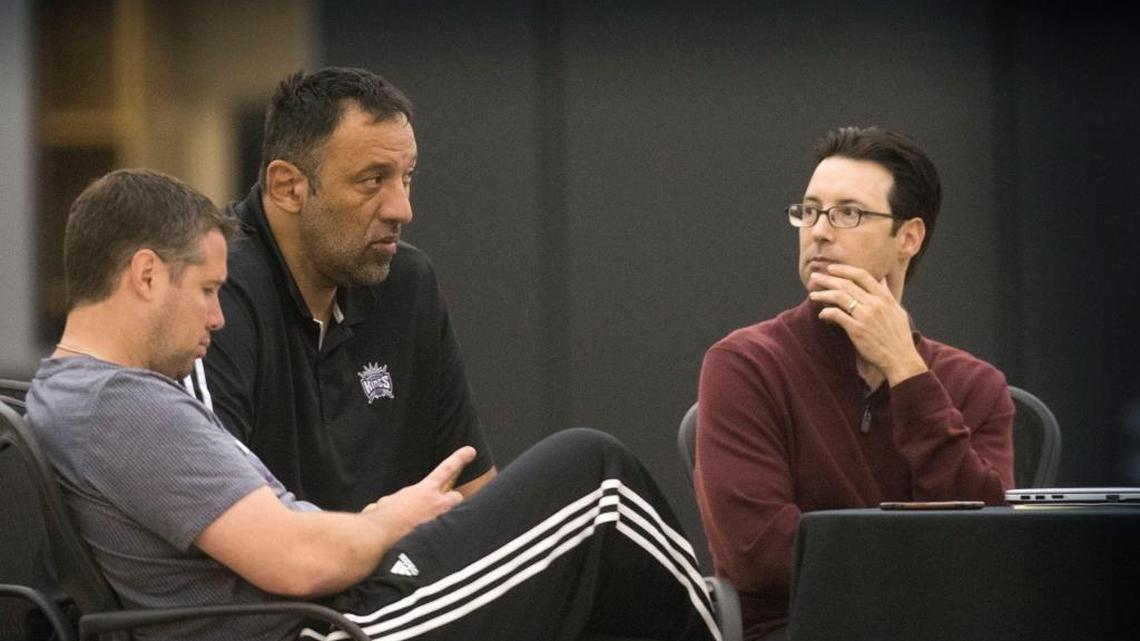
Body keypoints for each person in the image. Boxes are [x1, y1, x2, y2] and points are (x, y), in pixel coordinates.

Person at [27, 168, 720, 641]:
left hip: (333, 606)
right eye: (208, 291)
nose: (217, 318)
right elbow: (296, 560)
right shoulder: (122, 406)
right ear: (147, 275)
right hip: (334, 622)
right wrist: (394, 517)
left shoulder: (63, 394)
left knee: (584, 531)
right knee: (597, 480)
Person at [694, 127, 1014, 641]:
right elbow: (757, 554)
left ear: (909, 237)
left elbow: (986, 551)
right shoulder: (745, 364)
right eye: (810, 210)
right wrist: (919, 565)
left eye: (849, 213)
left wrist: (907, 373)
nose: (819, 231)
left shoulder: (975, 386)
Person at [184, 67, 494, 512]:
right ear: (288, 187)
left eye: (406, 177)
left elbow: (472, 492)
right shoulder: (215, 292)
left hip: (407, 575)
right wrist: (373, 536)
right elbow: (224, 518)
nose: (401, 208)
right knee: (597, 466)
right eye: (372, 180)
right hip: (288, 574)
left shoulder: (408, 282)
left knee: (583, 469)